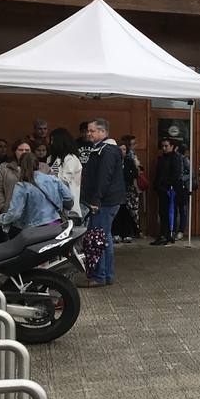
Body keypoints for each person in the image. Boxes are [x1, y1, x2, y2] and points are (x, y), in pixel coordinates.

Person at [80, 118, 126, 287]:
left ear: (102, 132)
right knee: (104, 237)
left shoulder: (107, 151)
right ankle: (106, 275)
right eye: (88, 131)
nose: (88, 134)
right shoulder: (103, 149)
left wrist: (96, 200)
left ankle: (100, 276)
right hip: (106, 200)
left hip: (105, 202)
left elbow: (103, 178)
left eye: (91, 131)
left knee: (98, 238)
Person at [0, 151, 71, 233]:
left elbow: (15, 213)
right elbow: (69, 197)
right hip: (55, 225)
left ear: (20, 167)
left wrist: (2, 219)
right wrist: (65, 209)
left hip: (33, 231)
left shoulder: (22, 186)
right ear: (37, 165)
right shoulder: (53, 179)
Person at [151, 138, 183, 245]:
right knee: (162, 213)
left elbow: (176, 175)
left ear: (172, 146)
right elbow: (159, 173)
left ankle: (168, 234)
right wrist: (157, 184)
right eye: (162, 146)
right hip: (162, 190)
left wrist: (165, 183)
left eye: (166, 146)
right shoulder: (162, 158)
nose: (164, 148)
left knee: (169, 213)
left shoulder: (175, 158)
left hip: (170, 190)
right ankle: (163, 234)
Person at [0, 139, 33, 215]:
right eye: (20, 150)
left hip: (33, 213)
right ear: (15, 152)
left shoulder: (42, 168)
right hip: (10, 212)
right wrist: (2, 208)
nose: (24, 153)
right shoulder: (4, 167)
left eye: (27, 150)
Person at [47, 128, 82, 217]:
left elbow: (65, 180)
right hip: (52, 204)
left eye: (53, 140)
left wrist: (50, 177)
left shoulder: (71, 159)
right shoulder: (51, 158)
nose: (51, 143)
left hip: (68, 206)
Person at [111, 138, 140, 242]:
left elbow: (135, 173)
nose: (122, 151)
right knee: (116, 213)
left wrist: (125, 175)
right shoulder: (113, 162)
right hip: (116, 191)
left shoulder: (129, 161)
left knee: (127, 213)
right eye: (120, 149)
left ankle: (127, 234)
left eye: (124, 149)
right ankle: (116, 233)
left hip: (128, 191)